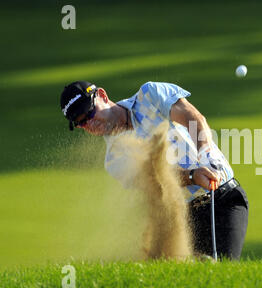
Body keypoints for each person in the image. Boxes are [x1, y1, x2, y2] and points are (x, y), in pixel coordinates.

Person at [59, 80, 249, 260]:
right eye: (81, 123)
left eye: (90, 113)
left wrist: (206, 151)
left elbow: (192, 117)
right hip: (187, 219)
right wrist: (193, 176)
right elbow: (156, 181)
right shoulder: (114, 159)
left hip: (223, 198)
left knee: (223, 266)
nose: (90, 124)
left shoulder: (149, 95)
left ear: (102, 95)